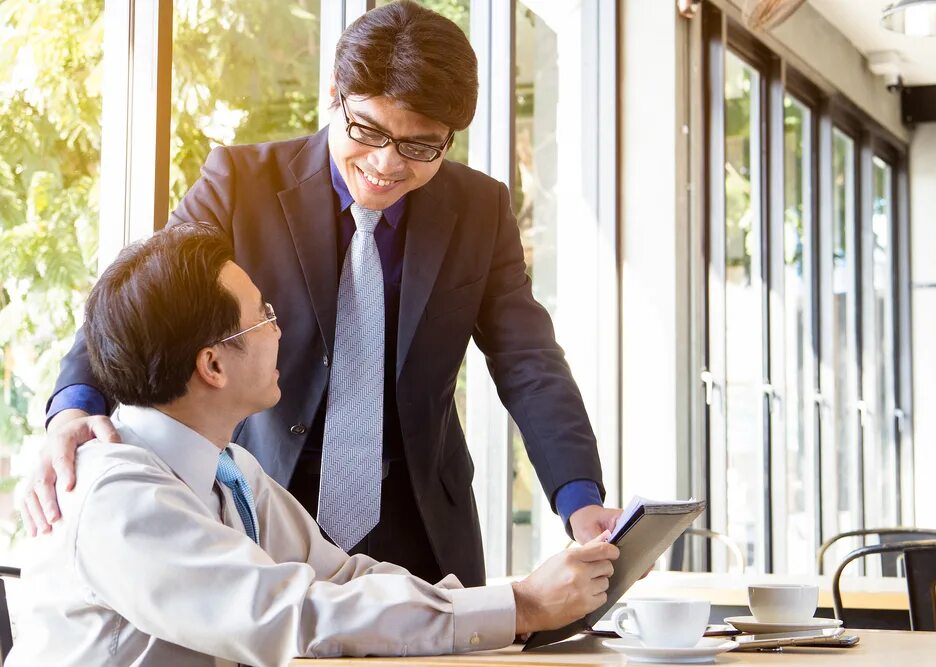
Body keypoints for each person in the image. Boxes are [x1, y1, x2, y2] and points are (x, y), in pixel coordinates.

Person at [22, 0, 620, 586]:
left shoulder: (479, 209)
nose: (387, 164)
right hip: (262, 506)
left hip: (422, 525)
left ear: (449, 138)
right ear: (335, 94)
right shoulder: (240, 185)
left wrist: (578, 495)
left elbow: (528, 360)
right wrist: (75, 404)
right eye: (368, 130)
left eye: (420, 146)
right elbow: (144, 298)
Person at [7, 224, 618, 667]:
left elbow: (345, 577)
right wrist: (521, 607)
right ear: (213, 364)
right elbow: (295, 616)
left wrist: (515, 603)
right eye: (263, 316)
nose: (281, 329)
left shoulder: (231, 471)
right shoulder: (123, 498)